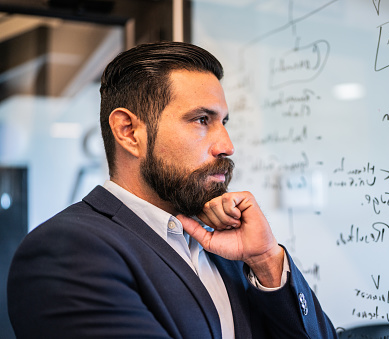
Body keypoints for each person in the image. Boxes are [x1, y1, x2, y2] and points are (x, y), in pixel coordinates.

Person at [7, 41, 337, 338]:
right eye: (201, 120)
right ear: (129, 132)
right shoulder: (66, 252)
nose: (227, 145)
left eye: (224, 122)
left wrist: (265, 259)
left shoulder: (227, 246)